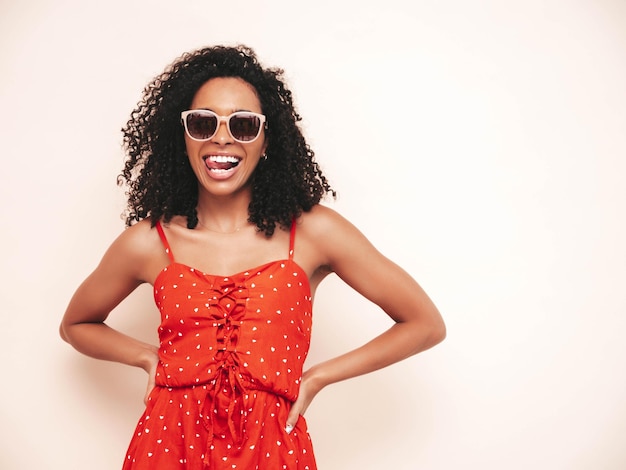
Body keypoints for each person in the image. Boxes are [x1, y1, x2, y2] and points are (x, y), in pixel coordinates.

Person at [60, 44, 446, 470]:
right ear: (183, 138)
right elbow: (76, 323)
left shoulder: (314, 232)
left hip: (273, 448)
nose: (221, 137)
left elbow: (424, 324)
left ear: (266, 142)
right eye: (203, 123)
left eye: (243, 125)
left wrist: (316, 377)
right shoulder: (148, 241)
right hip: (168, 446)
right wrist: (145, 356)